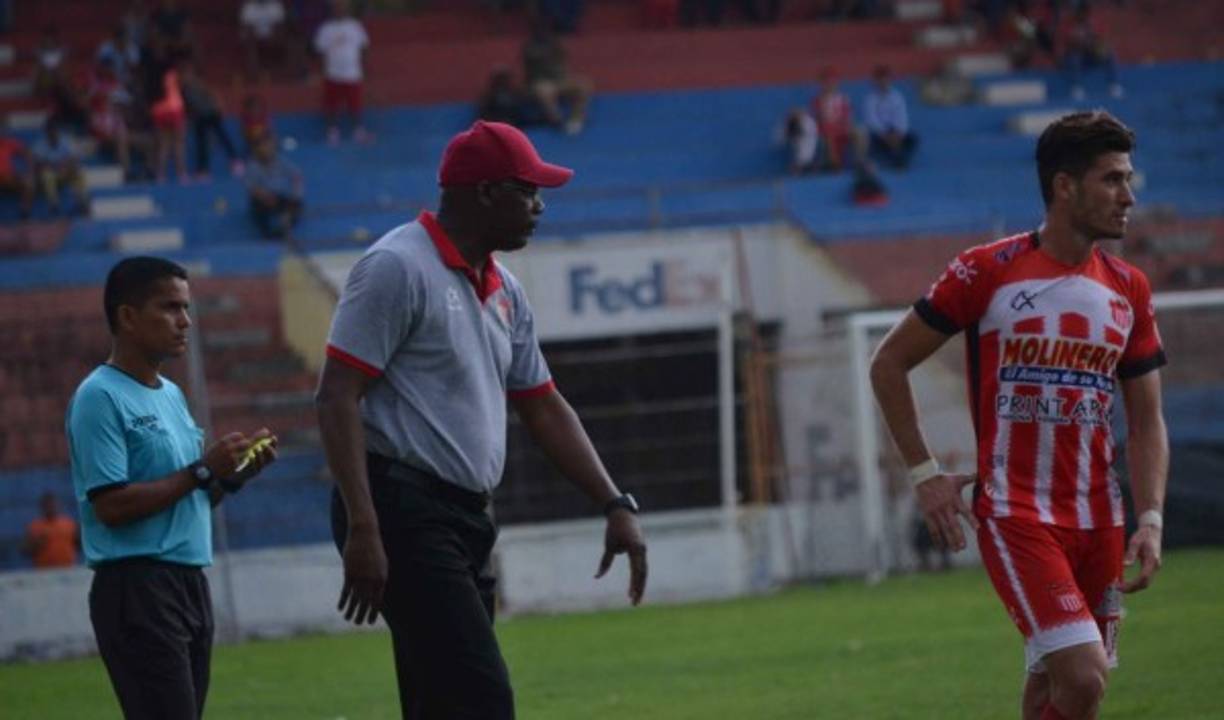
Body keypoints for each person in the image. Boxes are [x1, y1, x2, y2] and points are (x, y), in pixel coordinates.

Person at [316, 120, 648, 719]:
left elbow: (543, 404)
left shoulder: (504, 288)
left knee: (439, 701)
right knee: (481, 700)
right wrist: (364, 527)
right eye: (529, 191)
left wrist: (613, 501)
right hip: (402, 510)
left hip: (464, 515)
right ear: (486, 192)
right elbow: (336, 396)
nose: (540, 207)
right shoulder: (396, 266)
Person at [869, 111, 1167, 720]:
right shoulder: (989, 269)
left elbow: (1146, 418)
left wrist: (1153, 515)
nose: (1128, 197)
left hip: (1100, 519)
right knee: (1083, 680)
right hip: (1017, 515)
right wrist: (925, 475)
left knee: (1055, 694)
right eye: (1112, 179)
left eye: (1128, 179)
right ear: (1064, 186)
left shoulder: (1129, 288)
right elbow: (889, 363)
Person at [67, 256, 278, 720]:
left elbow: (192, 497)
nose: (185, 321)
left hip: (187, 583)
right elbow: (111, 506)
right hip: (138, 588)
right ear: (127, 316)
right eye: (169, 307)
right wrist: (202, 471)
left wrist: (231, 477)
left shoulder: (171, 394)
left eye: (186, 308)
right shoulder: (99, 396)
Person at [313, 0, 371, 144]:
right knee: (331, 104)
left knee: (355, 104)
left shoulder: (355, 26)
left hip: (352, 73)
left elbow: (364, 47)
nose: (339, 10)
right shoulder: (325, 28)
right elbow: (320, 52)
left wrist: (364, 66)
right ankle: (332, 131)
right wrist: (322, 71)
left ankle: (358, 130)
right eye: (336, 8)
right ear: (332, 10)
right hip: (333, 73)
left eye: (342, 8)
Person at [522, 22, 593, 135]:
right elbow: (531, 64)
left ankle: (576, 119)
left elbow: (563, 60)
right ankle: (558, 121)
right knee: (544, 91)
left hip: (560, 81)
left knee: (582, 85)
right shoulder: (530, 47)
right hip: (542, 82)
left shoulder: (556, 44)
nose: (544, 33)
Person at [180, 61, 243, 178]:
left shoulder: (199, 84)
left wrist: (219, 106)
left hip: (211, 113)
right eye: (184, 74)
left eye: (188, 73)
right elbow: (187, 107)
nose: (185, 76)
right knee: (201, 143)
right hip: (198, 117)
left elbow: (213, 94)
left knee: (222, 136)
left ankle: (236, 161)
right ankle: (203, 171)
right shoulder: (183, 89)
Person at [246, 134, 303, 238]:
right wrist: (265, 196)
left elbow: (296, 176)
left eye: (269, 146)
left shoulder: (280, 161)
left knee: (297, 205)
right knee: (258, 208)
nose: (267, 149)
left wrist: (296, 195)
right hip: (262, 199)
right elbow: (252, 188)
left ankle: (282, 231)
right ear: (257, 149)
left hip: (278, 196)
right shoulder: (252, 166)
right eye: (263, 147)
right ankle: (266, 234)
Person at [1060, 5, 1122, 100]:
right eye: (1080, 13)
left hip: (1090, 56)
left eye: (1084, 13)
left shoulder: (1091, 25)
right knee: (1074, 59)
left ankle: (1113, 85)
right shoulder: (1070, 25)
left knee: (1109, 54)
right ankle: (1076, 87)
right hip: (1077, 57)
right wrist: (1080, 43)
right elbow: (1068, 44)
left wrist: (1095, 45)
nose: (1082, 15)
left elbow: (1099, 40)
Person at [864, 65, 918, 170]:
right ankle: (896, 159)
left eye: (885, 79)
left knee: (912, 139)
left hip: (895, 131)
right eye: (880, 79)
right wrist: (884, 134)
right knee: (872, 140)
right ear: (875, 81)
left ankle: (900, 160)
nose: (883, 82)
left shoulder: (897, 97)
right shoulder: (870, 99)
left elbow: (902, 118)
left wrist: (899, 132)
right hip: (879, 134)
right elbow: (871, 120)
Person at [32, 120, 90, 216]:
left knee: (80, 172)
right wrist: (54, 166)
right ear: (46, 132)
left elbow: (76, 157)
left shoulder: (66, 141)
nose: (53, 133)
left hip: (66, 172)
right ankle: (53, 203)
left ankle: (83, 201)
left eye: (54, 131)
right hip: (52, 174)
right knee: (47, 175)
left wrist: (66, 165)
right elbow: (38, 164)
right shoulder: (40, 145)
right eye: (50, 131)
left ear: (57, 131)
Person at [811, 68, 855, 171]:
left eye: (832, 82)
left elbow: (848, 117)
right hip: (826, 129)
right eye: (826, 82)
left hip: (842, 127)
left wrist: (845, 126)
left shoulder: (843, 99)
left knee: (860, 133)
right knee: (829, 136)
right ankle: (835, 166)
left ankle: (859, 162)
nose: (830, 85)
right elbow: (818, 119)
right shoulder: (818, 100)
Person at [22, 492, 79, 568]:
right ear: (42, 507)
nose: (50, 507)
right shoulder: (35, 527)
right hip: (44, 571)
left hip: (68, 568)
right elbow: (24, 550)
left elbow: (79, 544)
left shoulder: (69, 524)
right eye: (47, 505)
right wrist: (36, 544)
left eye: (52, 504)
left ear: (58, 505)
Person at [0, 131, 35, 219]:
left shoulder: (8, 143)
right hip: (4, 177)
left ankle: (24, 212)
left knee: (28, 182)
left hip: (8, 176)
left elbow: (26, 152)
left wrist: (30, 170)